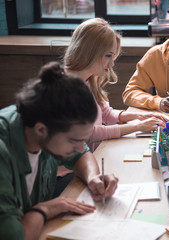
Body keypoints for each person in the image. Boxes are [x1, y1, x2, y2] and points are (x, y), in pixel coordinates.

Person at [0, 62, 119, 240]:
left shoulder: (42, 128)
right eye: (74, 140)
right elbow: (16, 236)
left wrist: (93, 177)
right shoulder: (4, 153)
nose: (80, 146)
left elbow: (83, 153)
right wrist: (46, 208)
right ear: (41, 130)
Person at [64, 18, 167, 152]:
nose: (112, 63)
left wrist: (138, 116)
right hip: (75, 167)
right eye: (108, 55)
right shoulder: (66, 88)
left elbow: (105, 113)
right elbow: (90, 134)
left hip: (94, 155)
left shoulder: (88, 80)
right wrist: (137, 126)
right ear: (89, 52)